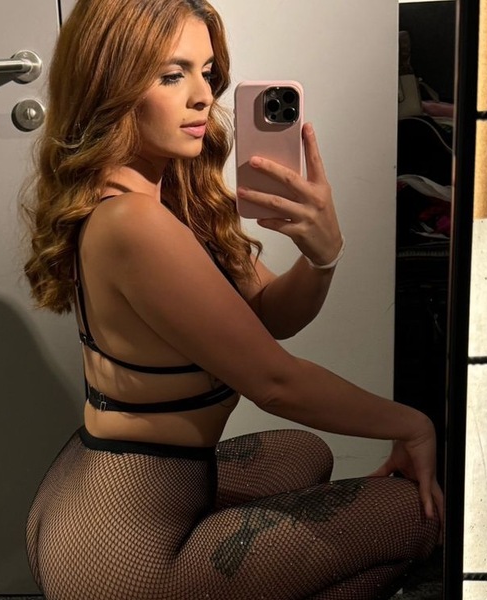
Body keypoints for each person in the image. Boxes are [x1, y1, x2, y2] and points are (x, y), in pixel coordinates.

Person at [22, 1, 442, 598]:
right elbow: (276, 382)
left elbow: (272, 314)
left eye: (207, 71)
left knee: (303, 455)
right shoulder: (133, 222)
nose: (203, 96)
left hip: (120, 487)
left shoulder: (170, 194)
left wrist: (322, 256)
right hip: (119, 552)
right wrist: (414, 424)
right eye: (172, 75)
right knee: (412, 517)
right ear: (109, 85)